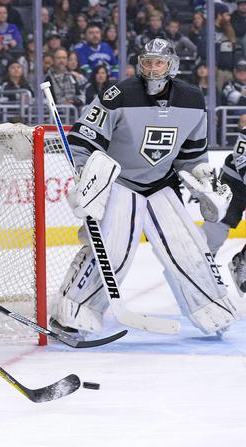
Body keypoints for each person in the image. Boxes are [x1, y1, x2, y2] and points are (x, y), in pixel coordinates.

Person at [51, 38, 238, 338]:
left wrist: (205, 179)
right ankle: (73, 311)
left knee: (189, 246)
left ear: (171, 66)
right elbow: (84, 139)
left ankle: (211, 307)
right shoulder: (118, 94)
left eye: (159, 63)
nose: (152, 69)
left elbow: (192, 156)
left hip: (161, 184)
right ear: (140, 64)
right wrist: (87, 174)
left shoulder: (192, 99)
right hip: (120, 183)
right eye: (147, 62)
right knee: (112, 251)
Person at [203, 114, 246, 294]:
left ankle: (241, 262)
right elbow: (241, 154)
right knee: (219, 224)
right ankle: (200, 268)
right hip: (235, 181)